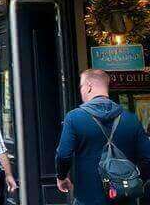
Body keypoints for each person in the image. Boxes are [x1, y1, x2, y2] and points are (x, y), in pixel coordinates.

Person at [56, 69, 150, 205]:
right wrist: (134, 179)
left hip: (88, 197)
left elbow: (63, 155)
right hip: (125, 198)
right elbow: (147, 158)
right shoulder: (131, 119)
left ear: (89, 86)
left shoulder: (74, 117)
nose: (81, 91)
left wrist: (62, 177)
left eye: (81, 86)